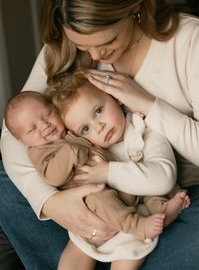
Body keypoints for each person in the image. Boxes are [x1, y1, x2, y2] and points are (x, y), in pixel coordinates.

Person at [0, 0, 199, 269]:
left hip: (174, 191)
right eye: (83, 46)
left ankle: (122, 248)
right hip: (91, 192)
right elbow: (13, 134)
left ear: (134, 8)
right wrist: (55, 206)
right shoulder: (68, 45)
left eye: (107, 41)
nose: (95, 54)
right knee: (7, 183)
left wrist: (147, 104)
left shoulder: (189, 41)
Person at [4, 87, 189, 270]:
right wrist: (71, 151)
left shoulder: (73, 130)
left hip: (117, 187)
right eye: (32, 129)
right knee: (81, 246)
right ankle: (137, 225)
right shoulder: (40, 152)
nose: (44, 125)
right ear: (23, 141)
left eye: (47, 115)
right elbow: (53, 175)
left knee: (143, 187)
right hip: (91, 200)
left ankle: (162, 208)